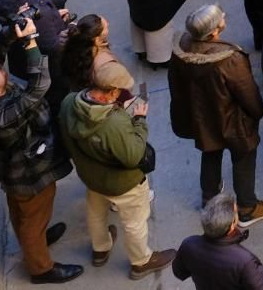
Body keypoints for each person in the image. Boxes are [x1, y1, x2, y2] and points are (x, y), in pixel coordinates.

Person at [0, 22, 81, 284]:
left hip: (12, 171)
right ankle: (41, 268)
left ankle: (35, 240)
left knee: (21, 211)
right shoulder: (2, 117)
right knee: (34, 215)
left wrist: (12, 31)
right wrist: (31, 42)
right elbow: (39, 86)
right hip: (28, 173)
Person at [59, 58, 176, 278]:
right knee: (134, 223)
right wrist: (139, 120)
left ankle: (100, 249)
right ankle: (141, 262)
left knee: (96, 212)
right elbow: (133, 156)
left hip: (91, 176)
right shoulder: (114, 122)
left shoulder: (68, 102)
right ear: (112, 92)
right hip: (123, 184)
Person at [168, 3, 263, 226]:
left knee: (210, 151)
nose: (224, 18)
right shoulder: (230, 59)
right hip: (232, 120)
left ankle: (209, 199)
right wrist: (257, 112)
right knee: (244, 157)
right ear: (214, 32)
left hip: (201, 117)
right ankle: (247, 208)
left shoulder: (182, 48)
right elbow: (247, 94)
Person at [174, 195, 263, 290]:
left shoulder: (189, 245)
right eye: (236, 212)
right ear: (232, 225)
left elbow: (179, 273)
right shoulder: (245, 261)